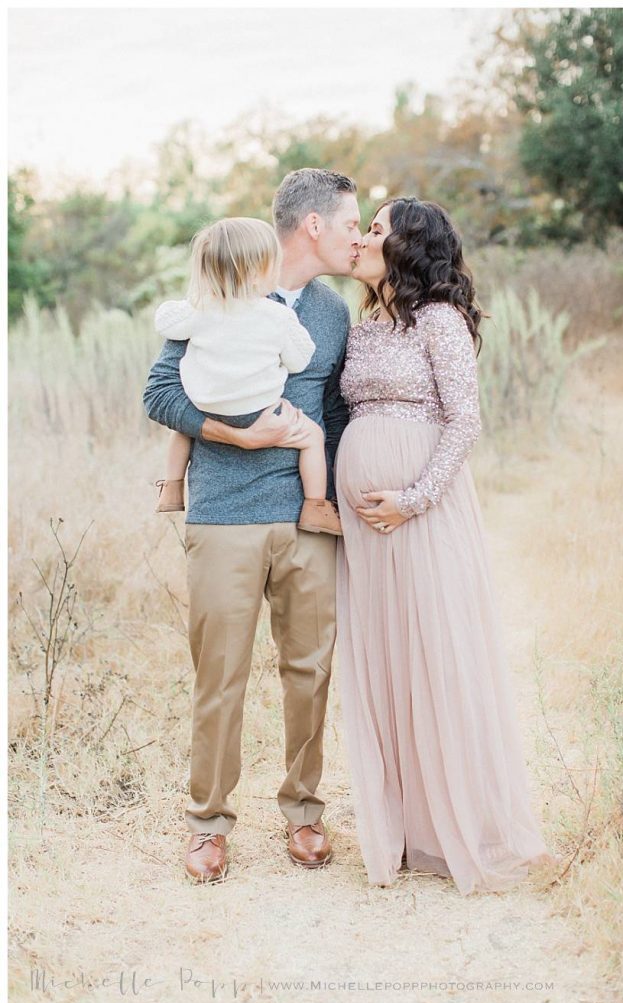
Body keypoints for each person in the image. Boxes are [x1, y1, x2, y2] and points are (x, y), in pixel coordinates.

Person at [143, 169, 361, 882]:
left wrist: (341, 499)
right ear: (312, 227)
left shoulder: (332, 313)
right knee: (221, 676)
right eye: (350, 222)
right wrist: (230, 437)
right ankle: (208, 825)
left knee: (310, 671)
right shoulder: (222, 296)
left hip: (305, 520)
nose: (356, 235)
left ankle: (303, 813)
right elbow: (161, 392)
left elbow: (332, 411)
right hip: (223, 516)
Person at [334, 197, 555, 894]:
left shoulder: (440, 320)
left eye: (374, 227)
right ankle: (404, 825)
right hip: (366, 532)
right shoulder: (363, 324)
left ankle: (456, 826)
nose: (363, 237)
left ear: (407, 245)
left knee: (434, 656)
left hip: (422, 516)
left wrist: (412, 498)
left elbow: (465, 422)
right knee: (387, 663)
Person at [153, 216, 341, 537]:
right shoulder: (277, 315)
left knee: (181, 430)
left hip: (207, 406)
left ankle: (171, 487)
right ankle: (315, 506)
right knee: (311, 436)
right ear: (257, 271)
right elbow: (299, 360)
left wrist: (193, 301)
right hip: (260, 409)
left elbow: (165, 321)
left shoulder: (200, 308)